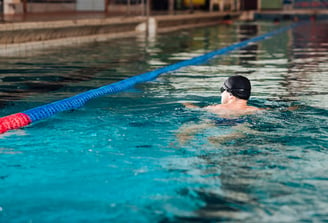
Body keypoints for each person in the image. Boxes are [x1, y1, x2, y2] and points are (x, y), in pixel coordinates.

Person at [177, 75, 264, 144]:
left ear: (230, 94)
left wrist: (185, 102)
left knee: (187, 130)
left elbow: (196, 109)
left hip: (216, 120)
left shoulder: (215, 108)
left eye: (222, 90)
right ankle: (224, 138)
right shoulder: (256, 110)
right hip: (244, 120)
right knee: (243, 130)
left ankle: (180, 146)